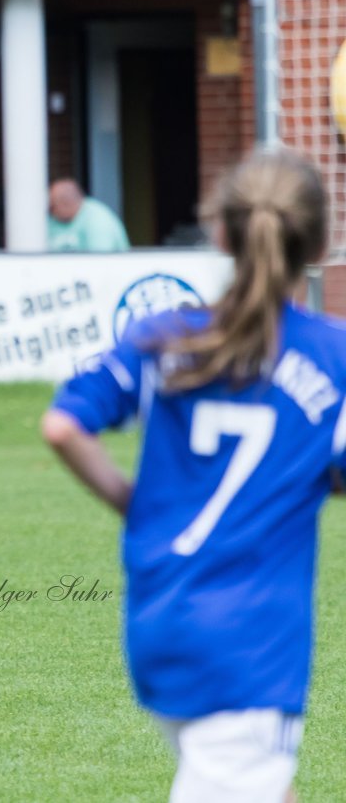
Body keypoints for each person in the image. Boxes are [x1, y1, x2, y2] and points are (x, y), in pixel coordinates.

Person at [41, 148, 334, 803]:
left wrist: (132, 502)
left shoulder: (164, 336)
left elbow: (63, 425)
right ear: (320, 242)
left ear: (220, 232)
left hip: (161, 619)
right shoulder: (330, 356)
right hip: (252, 643)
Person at [47, 178, 130, 252]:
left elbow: (100, 262)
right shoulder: (52, 221)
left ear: (66, 204)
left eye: (52, 207)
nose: (50, 212)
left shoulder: (97, 221)